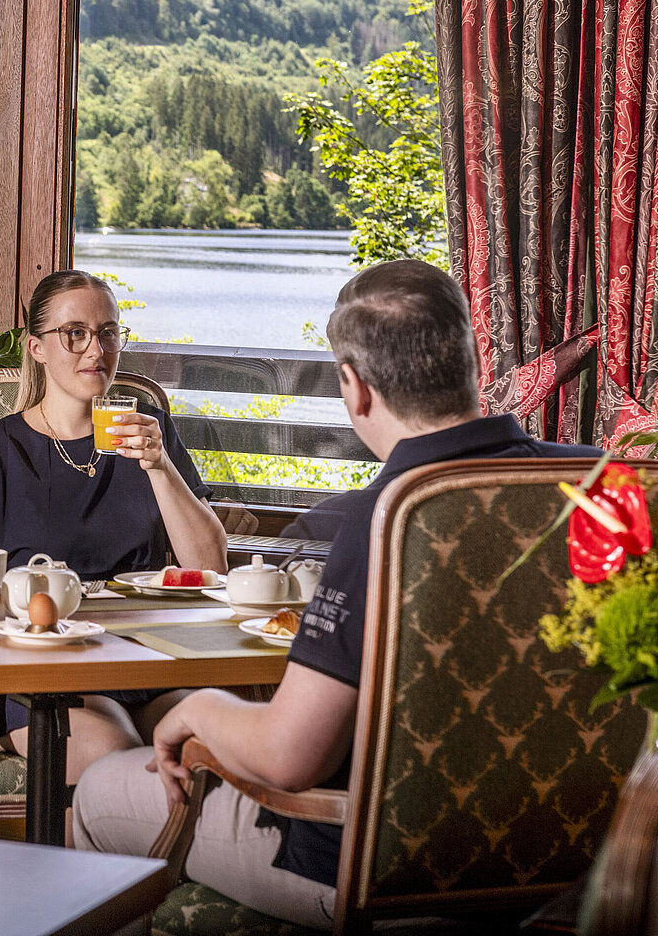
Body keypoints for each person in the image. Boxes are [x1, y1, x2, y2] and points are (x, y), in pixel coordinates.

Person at [71, 259, 599, 929]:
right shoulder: (602, 488)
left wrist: (199, 708)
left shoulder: (390, 517)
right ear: (467, 359)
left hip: (375, 864)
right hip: (568, 859)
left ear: (355, 387)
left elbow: (288, 758)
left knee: (99, 789)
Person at [0, 268, 252, 782]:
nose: (96, 350)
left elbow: (211, 565)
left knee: (217, 743)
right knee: (117, 755)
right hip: (31, 672)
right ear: (37, 348)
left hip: (137, 660)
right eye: (74, 333)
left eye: (108, 332)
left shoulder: (150, 432)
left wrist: (159, 466)